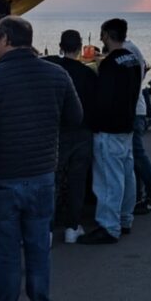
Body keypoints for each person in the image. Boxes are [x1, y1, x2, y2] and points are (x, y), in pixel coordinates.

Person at [0, 16, 82, 301]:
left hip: (0, 179)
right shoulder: (57, 75)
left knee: (6, 252)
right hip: (42, 173)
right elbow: (76, 118)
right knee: (38, 249)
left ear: (5, 39)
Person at [79, 18, 142, 245]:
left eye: (101, 34)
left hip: (109, 129)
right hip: (126, 125)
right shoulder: (132, 60)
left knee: (107, 179)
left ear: (106, 34)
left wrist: (94, 123)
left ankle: (108, 226)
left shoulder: (110, 65)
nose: (100, 38)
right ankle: (125, 218)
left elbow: (103, 100)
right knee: (127, 174)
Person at [45, 30, 97, 244]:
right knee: (77, 180)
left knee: (53, 181)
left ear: (60, 45)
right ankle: (72, 227)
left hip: (56, 132)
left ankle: (46, 229)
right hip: (82, 132)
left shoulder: (51, 71)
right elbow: (95, 105)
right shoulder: (88, 74)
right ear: (80, 47)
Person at [123, 34, 151, 217]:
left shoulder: (127, 51)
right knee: (134, 157)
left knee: (137, 155)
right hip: (135, 110)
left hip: (133, 111)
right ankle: (138, 196)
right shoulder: (132, 50)